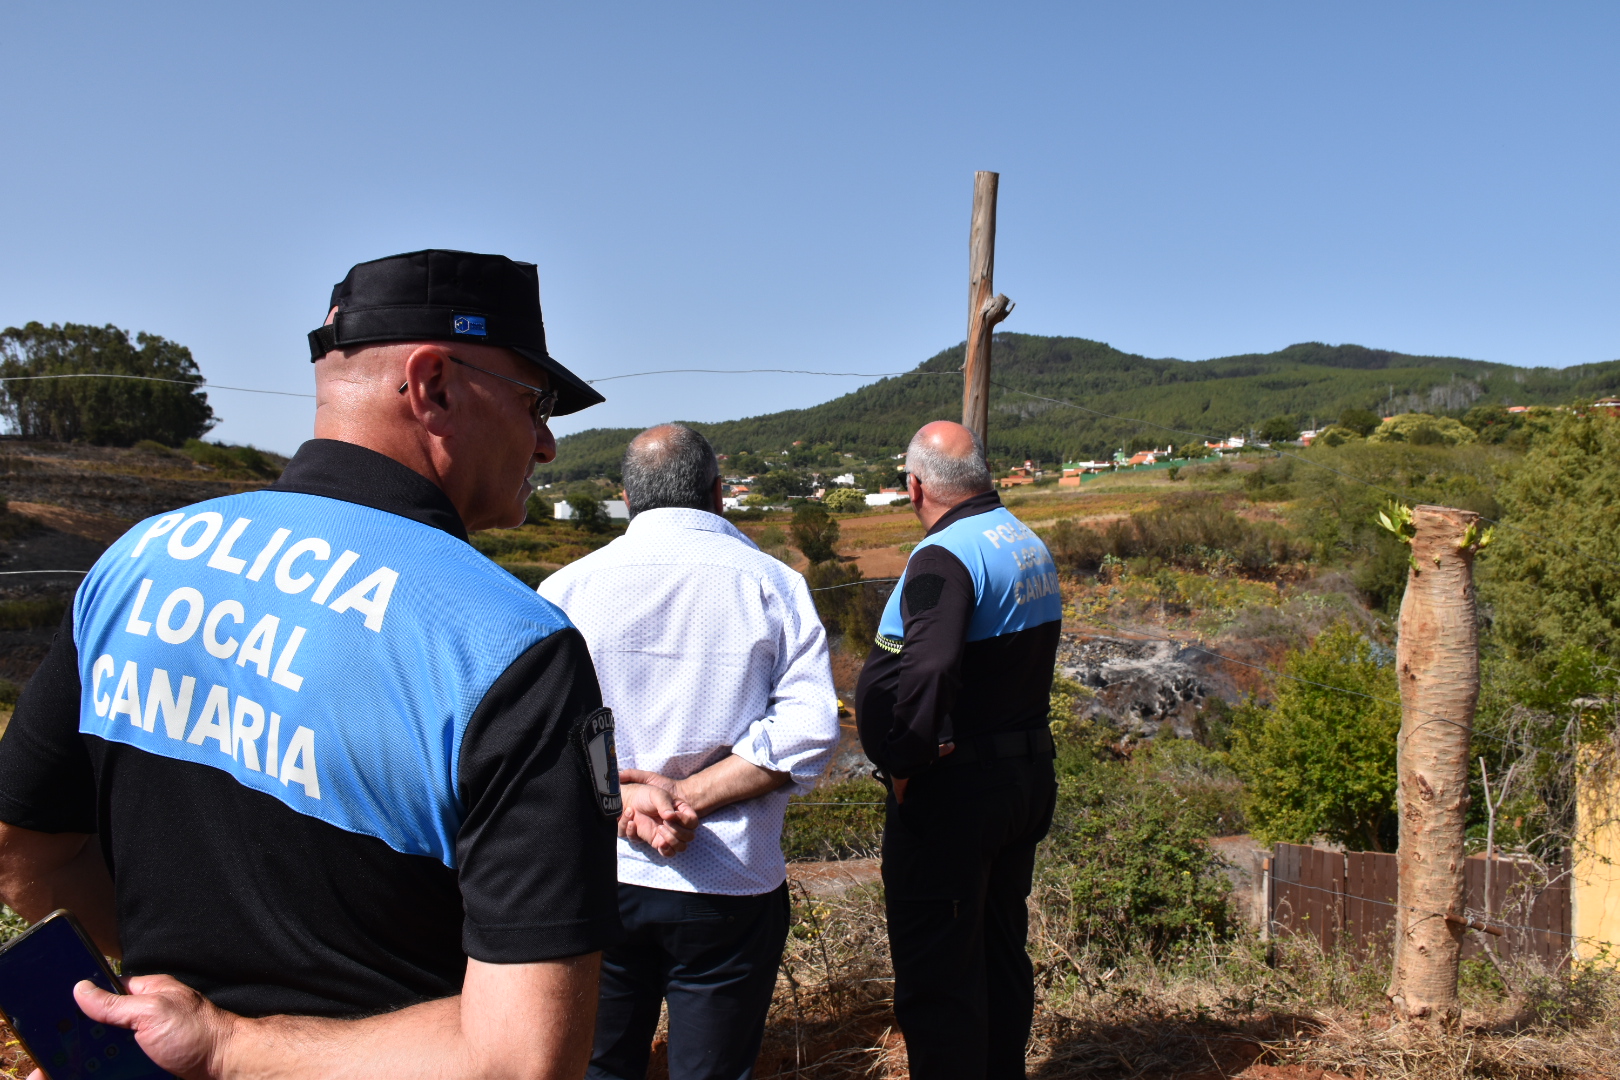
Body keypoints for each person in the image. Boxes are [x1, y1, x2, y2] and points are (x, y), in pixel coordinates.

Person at [0, 249, 684, 1079]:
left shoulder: (135, 562)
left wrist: (167, 1004)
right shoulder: (508, 643)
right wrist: (224, 1045)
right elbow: (521, 1060)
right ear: (432, 384)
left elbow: (22, 856)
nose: (545, 444)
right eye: (536, 403)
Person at [538, 423, 839, 1080]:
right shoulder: (772, 583)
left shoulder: (566, 589)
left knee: (597, 1065)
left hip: (600, 876)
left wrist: (629, 797)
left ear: (626, 495)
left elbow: (548, 734)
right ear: (718, 493)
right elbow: (811, 729)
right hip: (728, 879)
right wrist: (690, 797)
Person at [854, 420, 1063, 1080]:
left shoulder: (942, 556)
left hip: (955, 793)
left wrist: (906, 764)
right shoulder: (1023, 540)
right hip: (1022, 776)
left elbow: (929, 667)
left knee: (939, 977)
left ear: (916, 487)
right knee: (1000, 954)